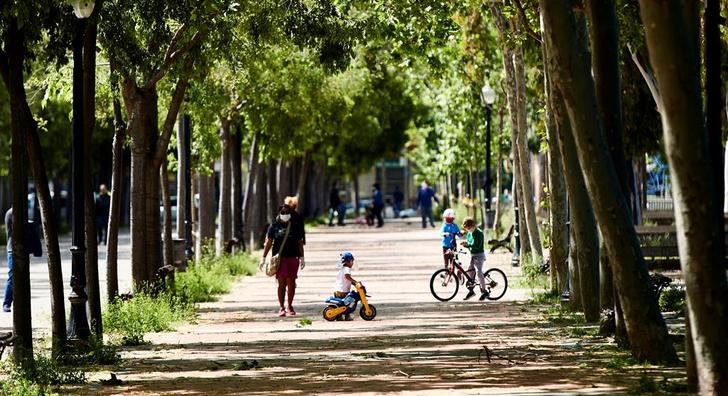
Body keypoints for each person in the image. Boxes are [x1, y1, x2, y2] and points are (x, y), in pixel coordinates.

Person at [260, 204, 305, 317]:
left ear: (290, 214)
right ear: (279, 213)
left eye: (287, 213)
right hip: (280, 259)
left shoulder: (295, 226)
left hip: (293, 258)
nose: (285, 215)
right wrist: (263, 258)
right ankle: (281, 307)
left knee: (291, 282)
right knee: (281, 283)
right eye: (283, 213)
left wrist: (302, 257)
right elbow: (269, 243)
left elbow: (300, 243)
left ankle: (290, 306)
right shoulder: (274, 226)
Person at [460, 217, 488, 301]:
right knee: (470, 274)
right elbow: (470, 243)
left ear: (472, 225)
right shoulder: (469, 233)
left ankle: (484, 291)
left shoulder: (479, 233)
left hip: (479, 255)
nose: (468, 230)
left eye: (468, 228)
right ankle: (471, 291)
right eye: (466, 228)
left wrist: (468, 245)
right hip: (473, 255)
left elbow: (477, 245)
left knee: (479, 272)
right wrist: (466, 244)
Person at [334, 251, 358, 321]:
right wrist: (355, 282)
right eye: (351, 261)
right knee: (348, 303)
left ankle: (339, 316)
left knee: (341, 305)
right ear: (347, 262)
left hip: (338, 290)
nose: (352, 263)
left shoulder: (342, 269)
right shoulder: (347, 269)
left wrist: (354, 283)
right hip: (343, 291)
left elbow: (347, 279)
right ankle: (347, 316)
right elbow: (347, 277)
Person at [3, 207, 12, 312]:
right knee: (12, 277)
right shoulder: (11, 212)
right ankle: (6, 303)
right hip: (12, 249)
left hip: (18, 249)